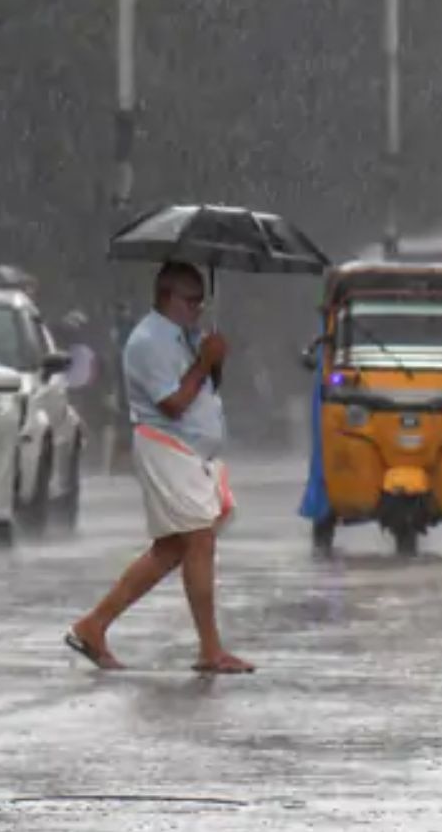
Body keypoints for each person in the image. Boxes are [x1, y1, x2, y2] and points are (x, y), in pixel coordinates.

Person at [65, 262, 254, 674]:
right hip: (168, 447)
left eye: (201, 301)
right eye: (190, 300)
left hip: (192, 452)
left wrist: (213, 360)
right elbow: (173, 402)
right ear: (167, 297)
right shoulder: (148, 341)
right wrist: (204, 363)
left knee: (172, 549)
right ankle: (210, 649)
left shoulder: (186, 336)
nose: (197, 309)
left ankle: (94, 625)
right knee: (199, 540)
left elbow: (202, 387)